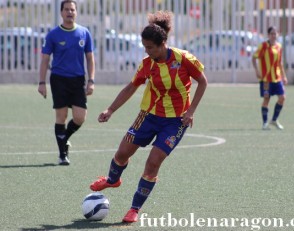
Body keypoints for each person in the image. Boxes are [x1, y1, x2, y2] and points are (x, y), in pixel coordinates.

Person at [89, 11, 208, 223]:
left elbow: (203, 82)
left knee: (153, 163)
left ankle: (134, 208)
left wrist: (191, 112)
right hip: (148, 116)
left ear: (162, 44)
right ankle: (112, 180)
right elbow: (131, 87)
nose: (147, 51)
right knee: (122, 153)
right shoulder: (147, 63)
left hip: (175, 122)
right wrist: (110, 110)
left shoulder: (183, 59)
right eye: (145, 47)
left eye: (150, 47)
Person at [38, 0, 95, 165]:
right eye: (67, 9)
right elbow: (45, 60)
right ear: (61, 12)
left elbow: (90, 59)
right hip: (59, 79)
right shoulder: (53, 34)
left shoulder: (84, 33)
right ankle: (62, 154)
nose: (70, 12)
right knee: (61, 116)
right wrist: (41, 83)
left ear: (76, 12)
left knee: (80, 117)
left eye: (72, 9)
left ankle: (64, 140)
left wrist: (91, 80)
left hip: (78, 80)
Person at [252, 26, 288, 130]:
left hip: (277, 78)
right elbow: (254, 57)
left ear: (278, 34)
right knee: (266, 100)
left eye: (275, 33)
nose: (273, 35)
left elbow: (280, 63)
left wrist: (284, 76)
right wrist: (257, 71)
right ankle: (265, 123)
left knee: (282, 98)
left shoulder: (279, 47)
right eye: (271, 33)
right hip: (266, 79)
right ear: (268, 35)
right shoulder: (263, 46)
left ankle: (274, 120)